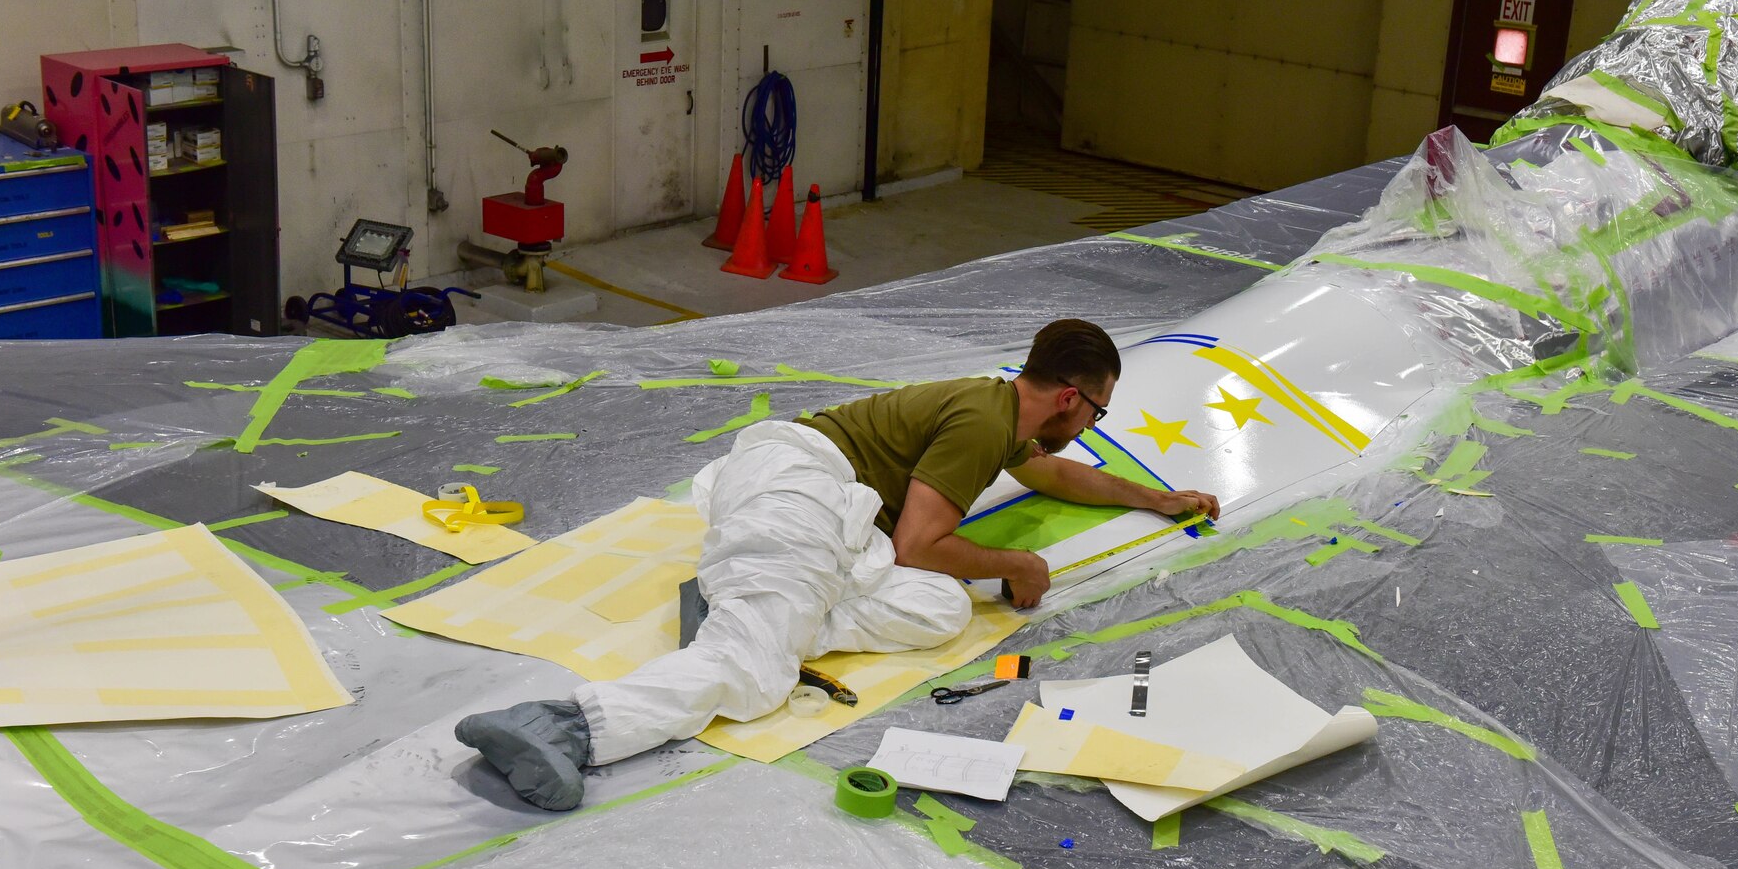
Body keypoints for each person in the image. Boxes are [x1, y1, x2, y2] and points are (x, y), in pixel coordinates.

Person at [454, 318, 1221, 811]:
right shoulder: (982, 421)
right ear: (1068, 397)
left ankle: (756, 610)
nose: (1091, 430)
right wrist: (1016, 562)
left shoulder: (1000, 415)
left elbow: (1059, 475)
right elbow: (922, 541)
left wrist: (1159, 498)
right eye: (1096, 413)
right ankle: (564, 726)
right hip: (801, 491)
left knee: (942, 609)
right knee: (754, 674)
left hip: (832, 519)